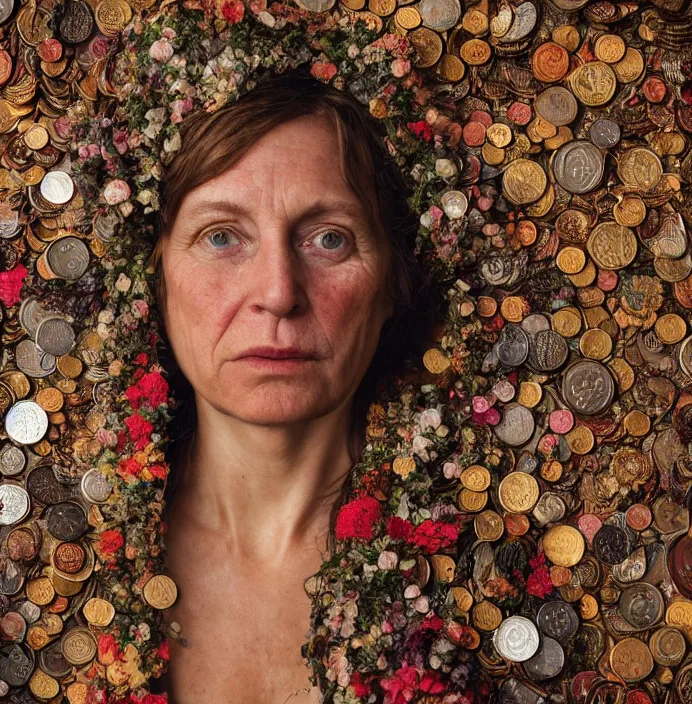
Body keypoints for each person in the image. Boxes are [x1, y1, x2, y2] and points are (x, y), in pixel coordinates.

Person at [145, 68, 441, 703]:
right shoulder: (40, 562)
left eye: (329, 239)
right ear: (158, 277)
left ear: (391, 279)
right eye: (222, 236)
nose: (279, 293)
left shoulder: (471, 562)